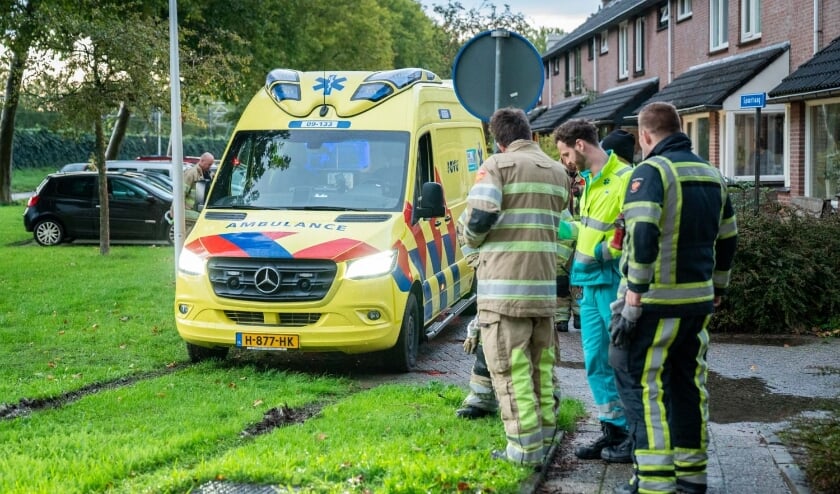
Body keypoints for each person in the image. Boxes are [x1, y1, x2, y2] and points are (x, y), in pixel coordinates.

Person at [610, 102, 738, 494]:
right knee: (688, 386)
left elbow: (643, 233)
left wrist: (634, 295)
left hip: (654, 306)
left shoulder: (651, 172)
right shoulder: (712, 174)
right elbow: (729, 238)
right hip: (697, 305)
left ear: (645, 135)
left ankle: (654, 483)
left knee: (644, 386)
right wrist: (718, 288)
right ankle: (692, 477)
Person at [461, 107, 569, 466]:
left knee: (511, 372)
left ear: (498, 141)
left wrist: (471, 242)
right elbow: (563, 227)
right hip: (543, 290)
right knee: (541, 370)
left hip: (504, 294)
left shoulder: (497, 166)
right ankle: (545, 437)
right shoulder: (557, 172)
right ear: (530, 134)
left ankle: (523, 451)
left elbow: (480, 217)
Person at [552, 119, 634, 464]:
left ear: (580, 145)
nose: (565, 161)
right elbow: (588, 229)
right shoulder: (588, 181)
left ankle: (632, 435)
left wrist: (600, 254)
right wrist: (558, 226)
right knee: (596, 363)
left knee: (621, 362)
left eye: (565, 154)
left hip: (611, 284)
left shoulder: (625, 178)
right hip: (588, 284)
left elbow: (630, 233)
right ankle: (613, 429)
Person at [183, 152, 214, 221]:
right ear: (202, 161)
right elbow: (181, 194)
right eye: (209, 164)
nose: (210, 167)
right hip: (190, 212)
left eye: (211, 165)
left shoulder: (209, 174)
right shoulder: (191, 173)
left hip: (200, 212)